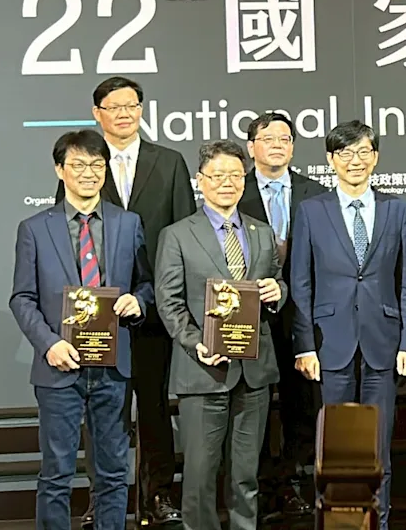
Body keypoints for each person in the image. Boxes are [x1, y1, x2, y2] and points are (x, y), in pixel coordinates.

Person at [55, 76, 195, 527]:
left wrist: (164, 296)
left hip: (153, 307)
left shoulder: (169, 162)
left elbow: (186, 232)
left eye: (131, 106)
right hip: (97, 316)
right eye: (113, 107)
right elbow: (65, 236)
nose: (123, 114)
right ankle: (103, 500)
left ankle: (158, 496)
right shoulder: (83, 163)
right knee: (102, 414)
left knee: (153, 408)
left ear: (141, 110)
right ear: (97, 114)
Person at [11, 130, 153, 529]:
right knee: (56, 473)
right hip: (59, 368)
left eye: (97, 165)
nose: (88, 173)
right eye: (78, 165)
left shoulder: (128, 223)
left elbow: (146, 283)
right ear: (60, 169)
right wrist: (49, 344)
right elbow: (22, 297)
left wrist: (138, 302)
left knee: (113, 473)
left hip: (113, 368)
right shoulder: (35, 228)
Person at [290, 120, 406, 530]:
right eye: (345, 153)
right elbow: (301, 282)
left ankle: (378, 523)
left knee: (378, 447)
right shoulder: (312, 211)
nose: (355, 160)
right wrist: (305, 345)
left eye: (363, 151)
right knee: (336, 447)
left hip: (384, 342)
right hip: (330, 344)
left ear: (375, 157)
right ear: (331, 160)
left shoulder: (396, 209)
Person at [155, 140, 286, 530]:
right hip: (203, 371)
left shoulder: (262, 233)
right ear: (200, 180)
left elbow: (277, 283)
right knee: (200, 477)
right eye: (217, 175)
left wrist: (278, 292)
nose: (227, 183)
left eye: (235, 175)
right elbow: (169, 303)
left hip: (254, 372)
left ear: (244, 180)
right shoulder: (177, 235)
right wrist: (197, 344)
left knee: (245, 476)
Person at [238, 112, 326, 517]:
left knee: (301, 404)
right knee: (249, 405)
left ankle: (293, 483)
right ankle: (253, 485)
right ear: (251, 146)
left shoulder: (315, 193)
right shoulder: (234, 190)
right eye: (268, 138)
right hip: (249, 316)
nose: (277, 145)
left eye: (285, 139)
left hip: (304, 315)